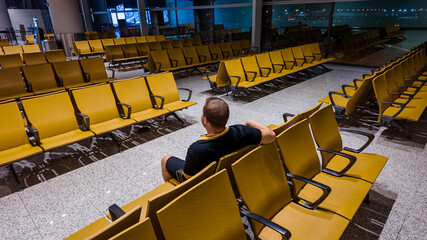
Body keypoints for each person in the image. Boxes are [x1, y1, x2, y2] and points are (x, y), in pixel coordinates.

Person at [161, 97, 276, 182]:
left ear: (205, 120)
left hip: (206, 184)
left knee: (165, 159)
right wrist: (250, 122)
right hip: (233, 177)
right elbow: (271, 135)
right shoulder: (242, 131)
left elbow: (189, 179)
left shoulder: (197, 149)